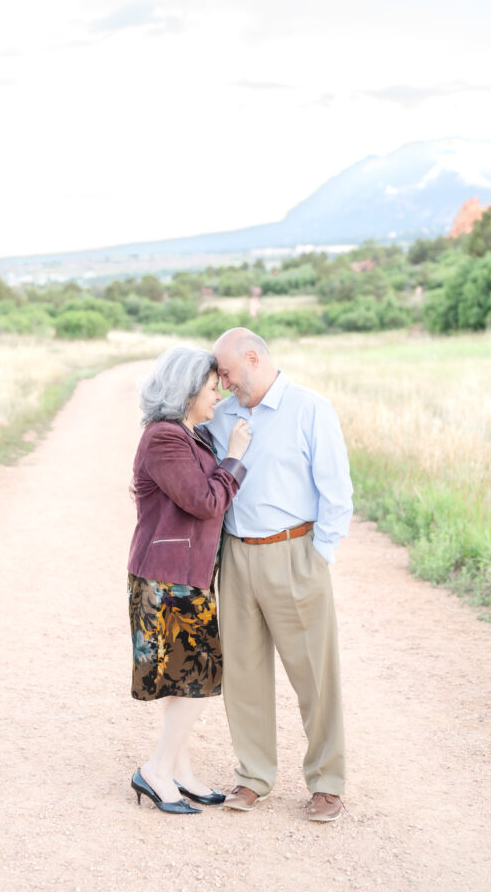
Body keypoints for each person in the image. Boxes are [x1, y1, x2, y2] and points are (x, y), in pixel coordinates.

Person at [204, 327, 353, 822]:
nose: (222, 384)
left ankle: (327, 782)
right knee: (243, 673)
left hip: (294, 553)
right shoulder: (220, 416)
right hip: (236, 555)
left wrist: (319, 555)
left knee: (314, 674)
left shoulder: (310, 409)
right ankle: (252, 776)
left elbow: (337, 491)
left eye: (226, 372)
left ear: (253, 358)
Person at [127, 345, 251, 815]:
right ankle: (156, 770)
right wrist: (236, 457)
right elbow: (205, 502)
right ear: (187, 389)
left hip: (183, 575)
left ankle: (179, 769)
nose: (218, 394)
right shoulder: (164, 437)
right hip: (167, 579)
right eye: (211, 386)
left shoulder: (188, 434)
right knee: (199, 677)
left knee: (184, 678)